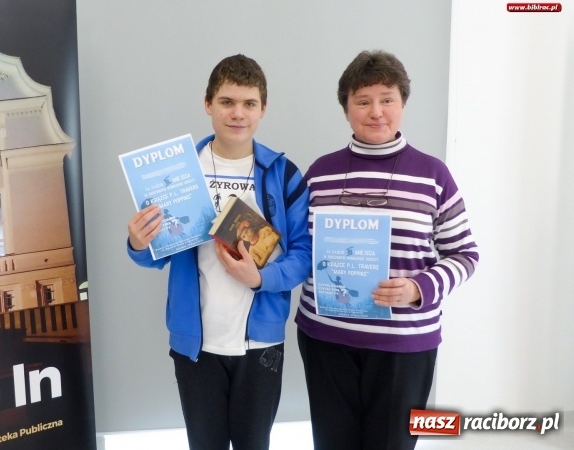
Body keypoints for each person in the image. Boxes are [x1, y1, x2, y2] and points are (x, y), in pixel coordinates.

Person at [294, 50, 480, 450]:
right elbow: (297, 245)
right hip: (325, 339)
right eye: (363, 101)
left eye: (387, 99)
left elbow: (465, 254)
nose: (376, 112)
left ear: (403, 104)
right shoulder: (320, 174)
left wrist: (418, 288)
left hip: (403, 344)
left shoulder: (433, 175)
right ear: (346, 109)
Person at [126, 54, 311, 450]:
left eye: (249, 103)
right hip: (196, 345)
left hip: (260, 345)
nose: (237, 113)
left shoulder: (284, 174)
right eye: (227, 102)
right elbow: (158, 252)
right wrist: (139, 244)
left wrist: (261, 278)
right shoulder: (178, 173)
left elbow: (303, 254)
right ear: (208, 104)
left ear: (263, 109)